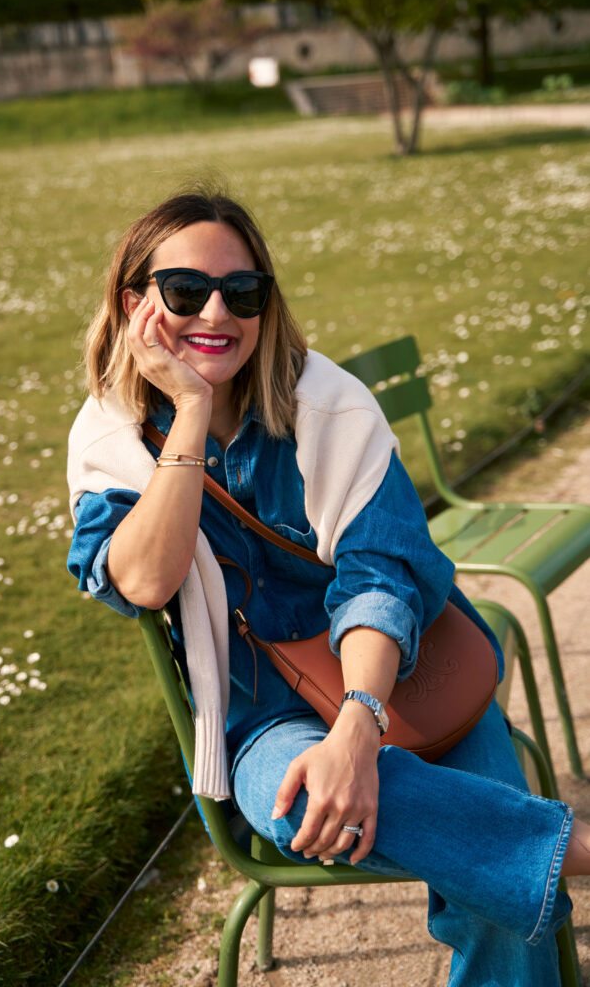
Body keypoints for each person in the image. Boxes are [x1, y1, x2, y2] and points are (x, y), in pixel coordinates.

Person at [67, 188, 590, 986]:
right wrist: (191, 410)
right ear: (134, 303)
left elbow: (381, 576)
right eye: (185, 290)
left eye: (242, 292)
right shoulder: (109, 438)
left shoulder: (328, 404)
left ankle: (529, 853)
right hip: (262, 719)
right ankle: (570, 847)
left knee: (490, 887)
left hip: (400, 677)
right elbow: (140, 580)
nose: (216, 312)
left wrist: (356, 729)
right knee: (301, 800)